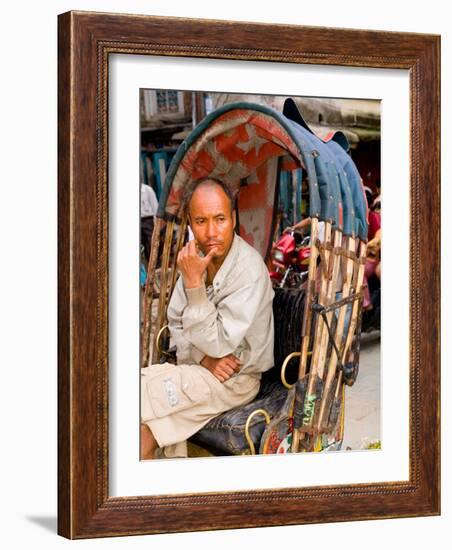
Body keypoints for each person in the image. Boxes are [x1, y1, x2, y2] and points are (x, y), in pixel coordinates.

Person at [140, 178, 275, 459]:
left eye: (220, 219)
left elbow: (221, 344)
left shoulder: (248, 270)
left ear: (233, 219)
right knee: (139, 416)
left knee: (138, 397)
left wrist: (194, 286)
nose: (211, 232)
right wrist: (203, 358)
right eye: (201, 221)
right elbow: (176, 320)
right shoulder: (196, 258)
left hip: (236, 379)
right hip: (200, 367)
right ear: (190, 222)